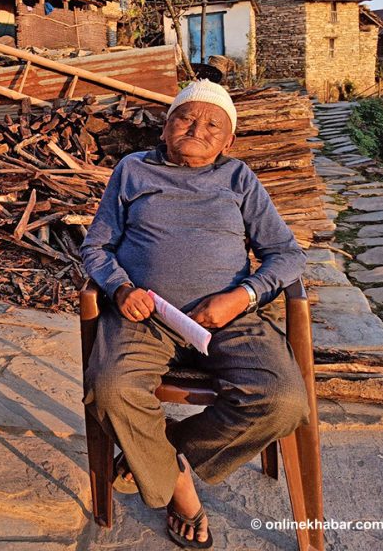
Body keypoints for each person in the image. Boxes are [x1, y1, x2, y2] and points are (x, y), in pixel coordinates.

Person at [80, 80, 309, 549]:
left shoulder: (238, 178)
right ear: (165, 127)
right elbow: (96, 247)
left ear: (228, 141)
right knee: (109, 388)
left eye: (212, 124)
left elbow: (286, 254)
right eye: (186, 117)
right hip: (145, 316)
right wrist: (121, 288)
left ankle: (166, 455)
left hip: (229, 317)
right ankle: (178, 488)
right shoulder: (132, 170)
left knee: (283, 400)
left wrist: (243, 296)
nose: (196, 128)